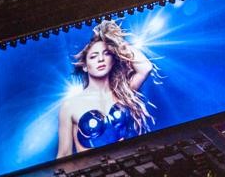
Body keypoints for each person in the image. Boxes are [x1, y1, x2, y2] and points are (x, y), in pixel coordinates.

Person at [57, 19, 155, 158]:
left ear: (113, 59)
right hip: (92, 169)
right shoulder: (70, 105)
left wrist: (116, 43)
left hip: (127, 162)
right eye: (93, 56)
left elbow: (146, 67)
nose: (101, 59)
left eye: (106, 53)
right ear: (85, 66)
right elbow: (64, 154)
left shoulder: (123, 93)